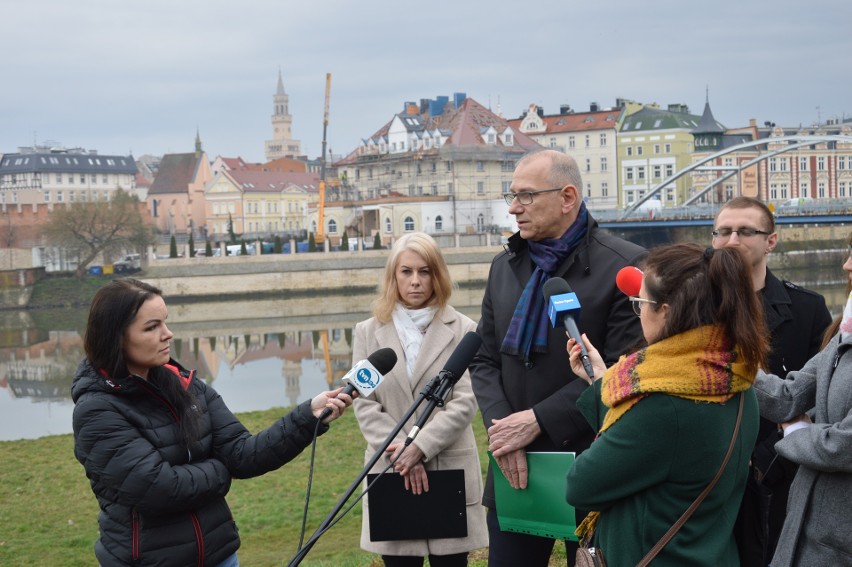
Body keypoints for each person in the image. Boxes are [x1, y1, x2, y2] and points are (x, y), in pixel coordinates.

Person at [72, 278, 353, 567]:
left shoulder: (187, 387)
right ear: (115, 337)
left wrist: (307, 417)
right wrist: (220, 470)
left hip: (220, 556)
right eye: (151, 327)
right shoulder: (97, 410)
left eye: (165, 323)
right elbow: (160, 490)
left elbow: (242, 454)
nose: (168, 334)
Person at [469, 149, 645, 566]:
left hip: (592, 465)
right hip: (515, 466)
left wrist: (536, 421)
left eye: (526, 196)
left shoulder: (624, 266)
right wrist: (503, 432)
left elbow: (625, 369)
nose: (513, 208)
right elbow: (483, 358)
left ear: (568, 197)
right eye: (511, 195)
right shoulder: (505, 266)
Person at [565, 243, 769, 566]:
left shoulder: (663, 404)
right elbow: (654, 450)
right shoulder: (734, 381)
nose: (639, 312)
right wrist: (602, 381)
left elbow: (580, 485)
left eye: (641, 303)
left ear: (666, 311)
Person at [352, 232, 488, 566]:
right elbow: (363, 402)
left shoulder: (464, 330)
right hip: (391, 469)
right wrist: (402, 451)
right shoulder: (367, 332)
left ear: (437, 275)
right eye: (406, 272)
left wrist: (420, 447)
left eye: (424, 271)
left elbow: (465, 401)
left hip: (448, 470)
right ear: (393, 277)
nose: (415, 281)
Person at [712, 196, 831, 565]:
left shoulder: (808, 308)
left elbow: (819, 399)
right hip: (708, 470)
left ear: (771, 241)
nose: (732, 240)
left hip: (779, 473)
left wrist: (765, 460)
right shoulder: (691, 306)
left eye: (746, 231)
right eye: (723, 231)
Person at [750, 235, 852, 567]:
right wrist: (734, 361)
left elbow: (844, 445)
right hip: (805, 534)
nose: (847, 265)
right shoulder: (845, 333)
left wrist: (795, 433)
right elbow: (788, 397)